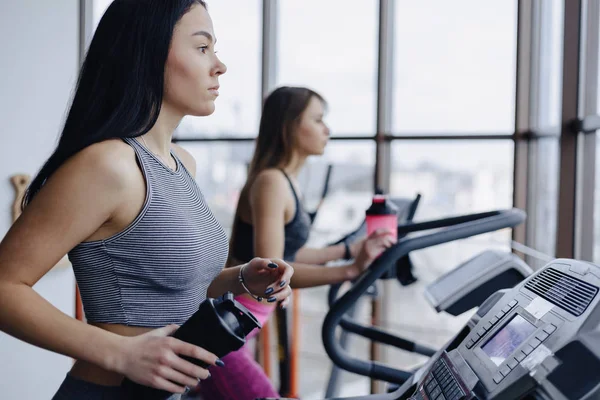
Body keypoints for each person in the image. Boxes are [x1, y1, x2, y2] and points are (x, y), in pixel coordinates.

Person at [0, 1, 293, 399]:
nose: (219, 66)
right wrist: (120, 354)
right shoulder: (108, 165)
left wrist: (242, 277)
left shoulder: (181, 163)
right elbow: (4, 286)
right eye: (202, 48)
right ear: (148, 54)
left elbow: (173, 287)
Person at [197, 86, 396, 399]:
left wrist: (347, 251)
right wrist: (350, 270)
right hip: (221, 330)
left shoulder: (285, 181)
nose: (326, 129)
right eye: (317, 119)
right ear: (289, 126)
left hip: (241, 325)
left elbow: (289, 252)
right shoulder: (272, 181)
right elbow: (273, 270)